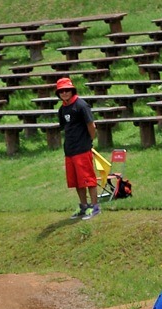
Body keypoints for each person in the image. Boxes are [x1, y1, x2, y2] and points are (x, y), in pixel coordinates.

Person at [56, 77, 100, 221]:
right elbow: (65, 128)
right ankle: (83, 206)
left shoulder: (81, 105)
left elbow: (91, 126)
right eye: (61, 91)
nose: (64, 93)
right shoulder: (62, 109)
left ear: (72, 90)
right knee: (76, 181)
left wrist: (89, 141)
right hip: (70, 150)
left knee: (88, 179)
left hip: (82, 149)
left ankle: (95, 207)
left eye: (67, 90)